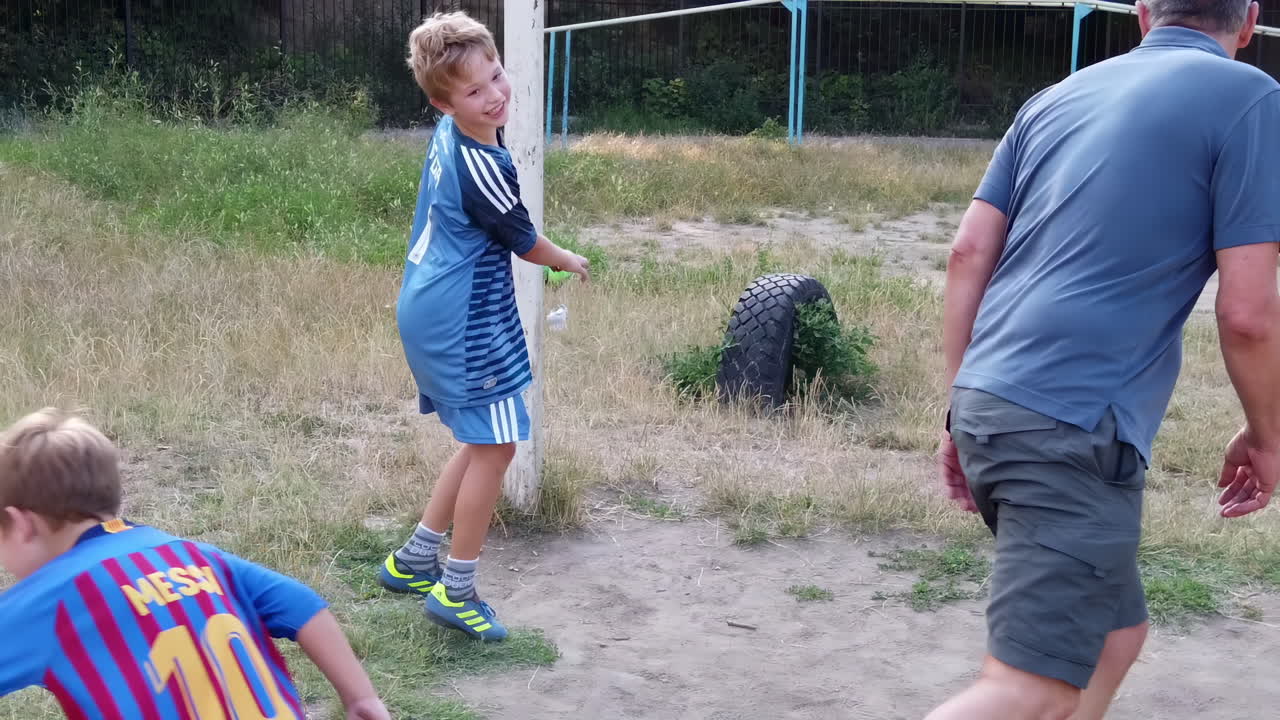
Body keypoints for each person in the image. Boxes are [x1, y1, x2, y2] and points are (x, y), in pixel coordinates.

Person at [929, 1, 1280, 718]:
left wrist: (957, 410)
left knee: (1116, 635)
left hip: (993, 401)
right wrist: (1268, 436)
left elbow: (967, 254)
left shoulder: (1056, 97)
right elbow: (1247, 315)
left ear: (1143, 14)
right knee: (1027, 685)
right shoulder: (1251, 98)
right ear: (1248, 22)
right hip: (1072, 425)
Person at [378, 11, 589, 642]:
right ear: (444, 101)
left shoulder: (450, 131)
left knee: (480, 440)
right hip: (461, 322)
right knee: (498, 446)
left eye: (496, 76)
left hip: (431, 307)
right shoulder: (486, 167)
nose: (495, 94)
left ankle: (415, 559)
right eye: (475, 91)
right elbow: (525, 243)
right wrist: (569, 259)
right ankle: (457, 588)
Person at [0, 408, 391, 720]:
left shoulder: (51, 600)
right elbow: (305, 606)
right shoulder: (195, 555)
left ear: (21, 525)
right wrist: (361, 699)